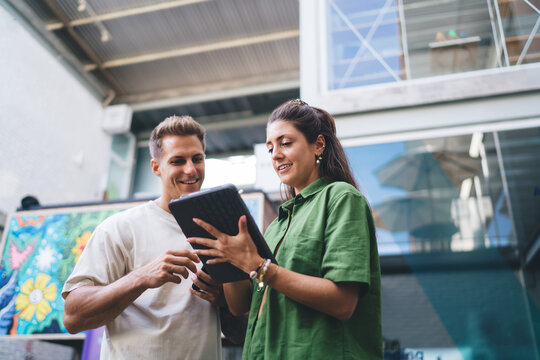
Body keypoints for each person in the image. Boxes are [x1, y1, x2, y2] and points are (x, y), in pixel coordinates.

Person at [188, 99, 382, 359]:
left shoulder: (341, 198)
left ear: (318, 145)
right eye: (270, 148)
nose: (276, 154)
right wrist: (229, 258)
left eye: (285, 143)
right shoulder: (277, 225)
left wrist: (260, 267)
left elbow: (342, 303)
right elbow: (241, 305)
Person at [62, 115, 225, 360]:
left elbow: (243, 329)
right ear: (156, 168)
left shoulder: (223, 231)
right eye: (178, 161)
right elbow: (73, 317)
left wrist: (225, 300)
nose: (190, 169)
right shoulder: (119, 228)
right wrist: (141, 277)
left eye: (197, 159)